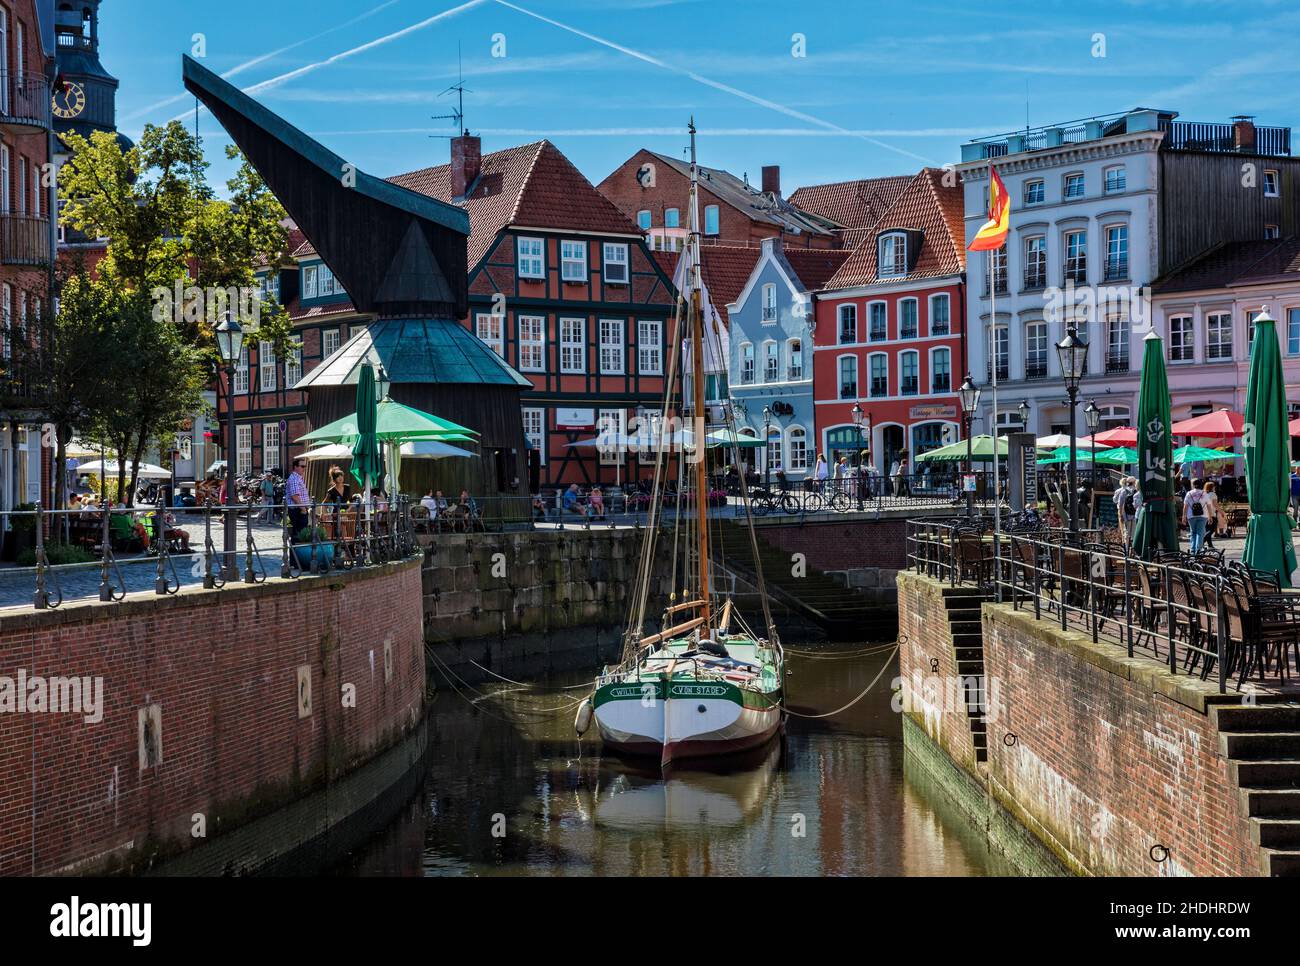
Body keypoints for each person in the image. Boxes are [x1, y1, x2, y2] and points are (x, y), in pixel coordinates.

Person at [286, 457, 309, 536]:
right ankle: (295, 548)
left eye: (305, 466)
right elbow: (295, 496)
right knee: (299, 533)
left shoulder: (298, 478)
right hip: (297, 510)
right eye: (302, 466)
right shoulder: (294, 479)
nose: (304, 468)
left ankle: (295, 548)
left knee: (299, 533)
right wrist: (303, 509)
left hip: (299, 509)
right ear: (295, 467)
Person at [1184, 478, 1209, 554]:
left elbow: (1185, 506)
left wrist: (1183, 516)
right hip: (1203, 515)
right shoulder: (1204, 493)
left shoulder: (1189, 493)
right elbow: (1209, 506)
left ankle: (1192, 550)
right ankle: (1198, 549)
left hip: (1191, 516)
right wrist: (1210, 516)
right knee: (1200, 533)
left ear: (1193, 485)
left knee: (1193, 532)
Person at [1203, 480, 1222, 549]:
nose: (1215, 487)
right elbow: (1215, 505)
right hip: (1211, 514)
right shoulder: (1213, 494)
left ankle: (1210, 546)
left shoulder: (1204, 494)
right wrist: (1222, 512)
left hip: (1204, 515)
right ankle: (1201, 542)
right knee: (1212, 530)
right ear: (1211, 487)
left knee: (1207, 530)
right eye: (1214, 486)